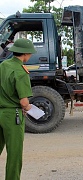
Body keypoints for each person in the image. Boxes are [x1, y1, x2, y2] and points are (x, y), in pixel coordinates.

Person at [0, 38, 36, 180]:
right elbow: (23, 102)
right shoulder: (21, 72)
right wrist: (30, 108)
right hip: (12, 115)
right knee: (14, 154)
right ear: (25, 53)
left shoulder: (3, 65)